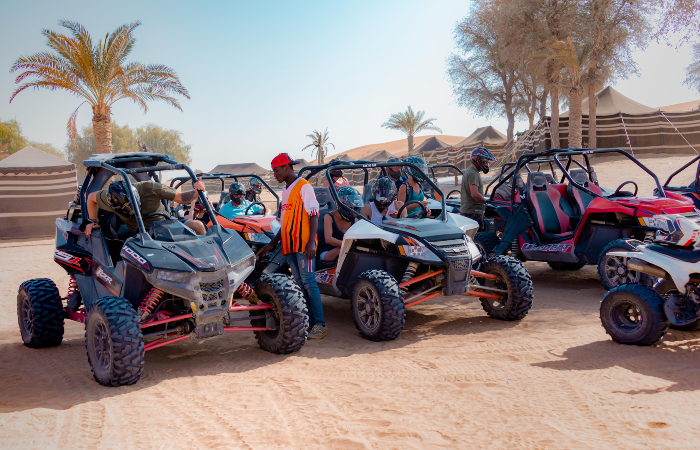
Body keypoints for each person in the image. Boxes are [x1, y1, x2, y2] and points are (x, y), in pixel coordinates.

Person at [256, 153, 327, 339]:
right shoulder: (286, 191)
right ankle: (308, 322)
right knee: (299, 285)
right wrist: (272, 244)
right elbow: (284, 223)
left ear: (287, 167)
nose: (274, 175)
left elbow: (314, 214)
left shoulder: (304, 186)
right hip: (289, 246)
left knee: (309, 283)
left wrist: (312, 242)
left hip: (304, 245)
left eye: (276, 170)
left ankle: (319, 324)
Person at [85, 178, 207, 237]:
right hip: (144, 235)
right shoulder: (108, 197)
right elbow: (90, 198)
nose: (130, 211)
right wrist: (92, 221)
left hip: (168, 224)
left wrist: (197, 191)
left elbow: (181, 197)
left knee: (198, 225)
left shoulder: (150, 188)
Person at [319, 186, 362, 261]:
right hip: (327, 253)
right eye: (349, 208)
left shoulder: (354, 220)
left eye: (354, 208)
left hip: (346, 252)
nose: (352, 210)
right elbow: (328, 239)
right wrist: (347, 245)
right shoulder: (329, 216)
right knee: (342, 250)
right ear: (341, 204)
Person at [460, 146, 497, 230]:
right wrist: (487, 202)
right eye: (484, 162)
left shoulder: (469, 171)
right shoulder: (473, 174)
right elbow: (475, 194)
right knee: (478, 240)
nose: (486, 164)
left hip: (468, 212)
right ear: (477, 160)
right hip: (473, 213)